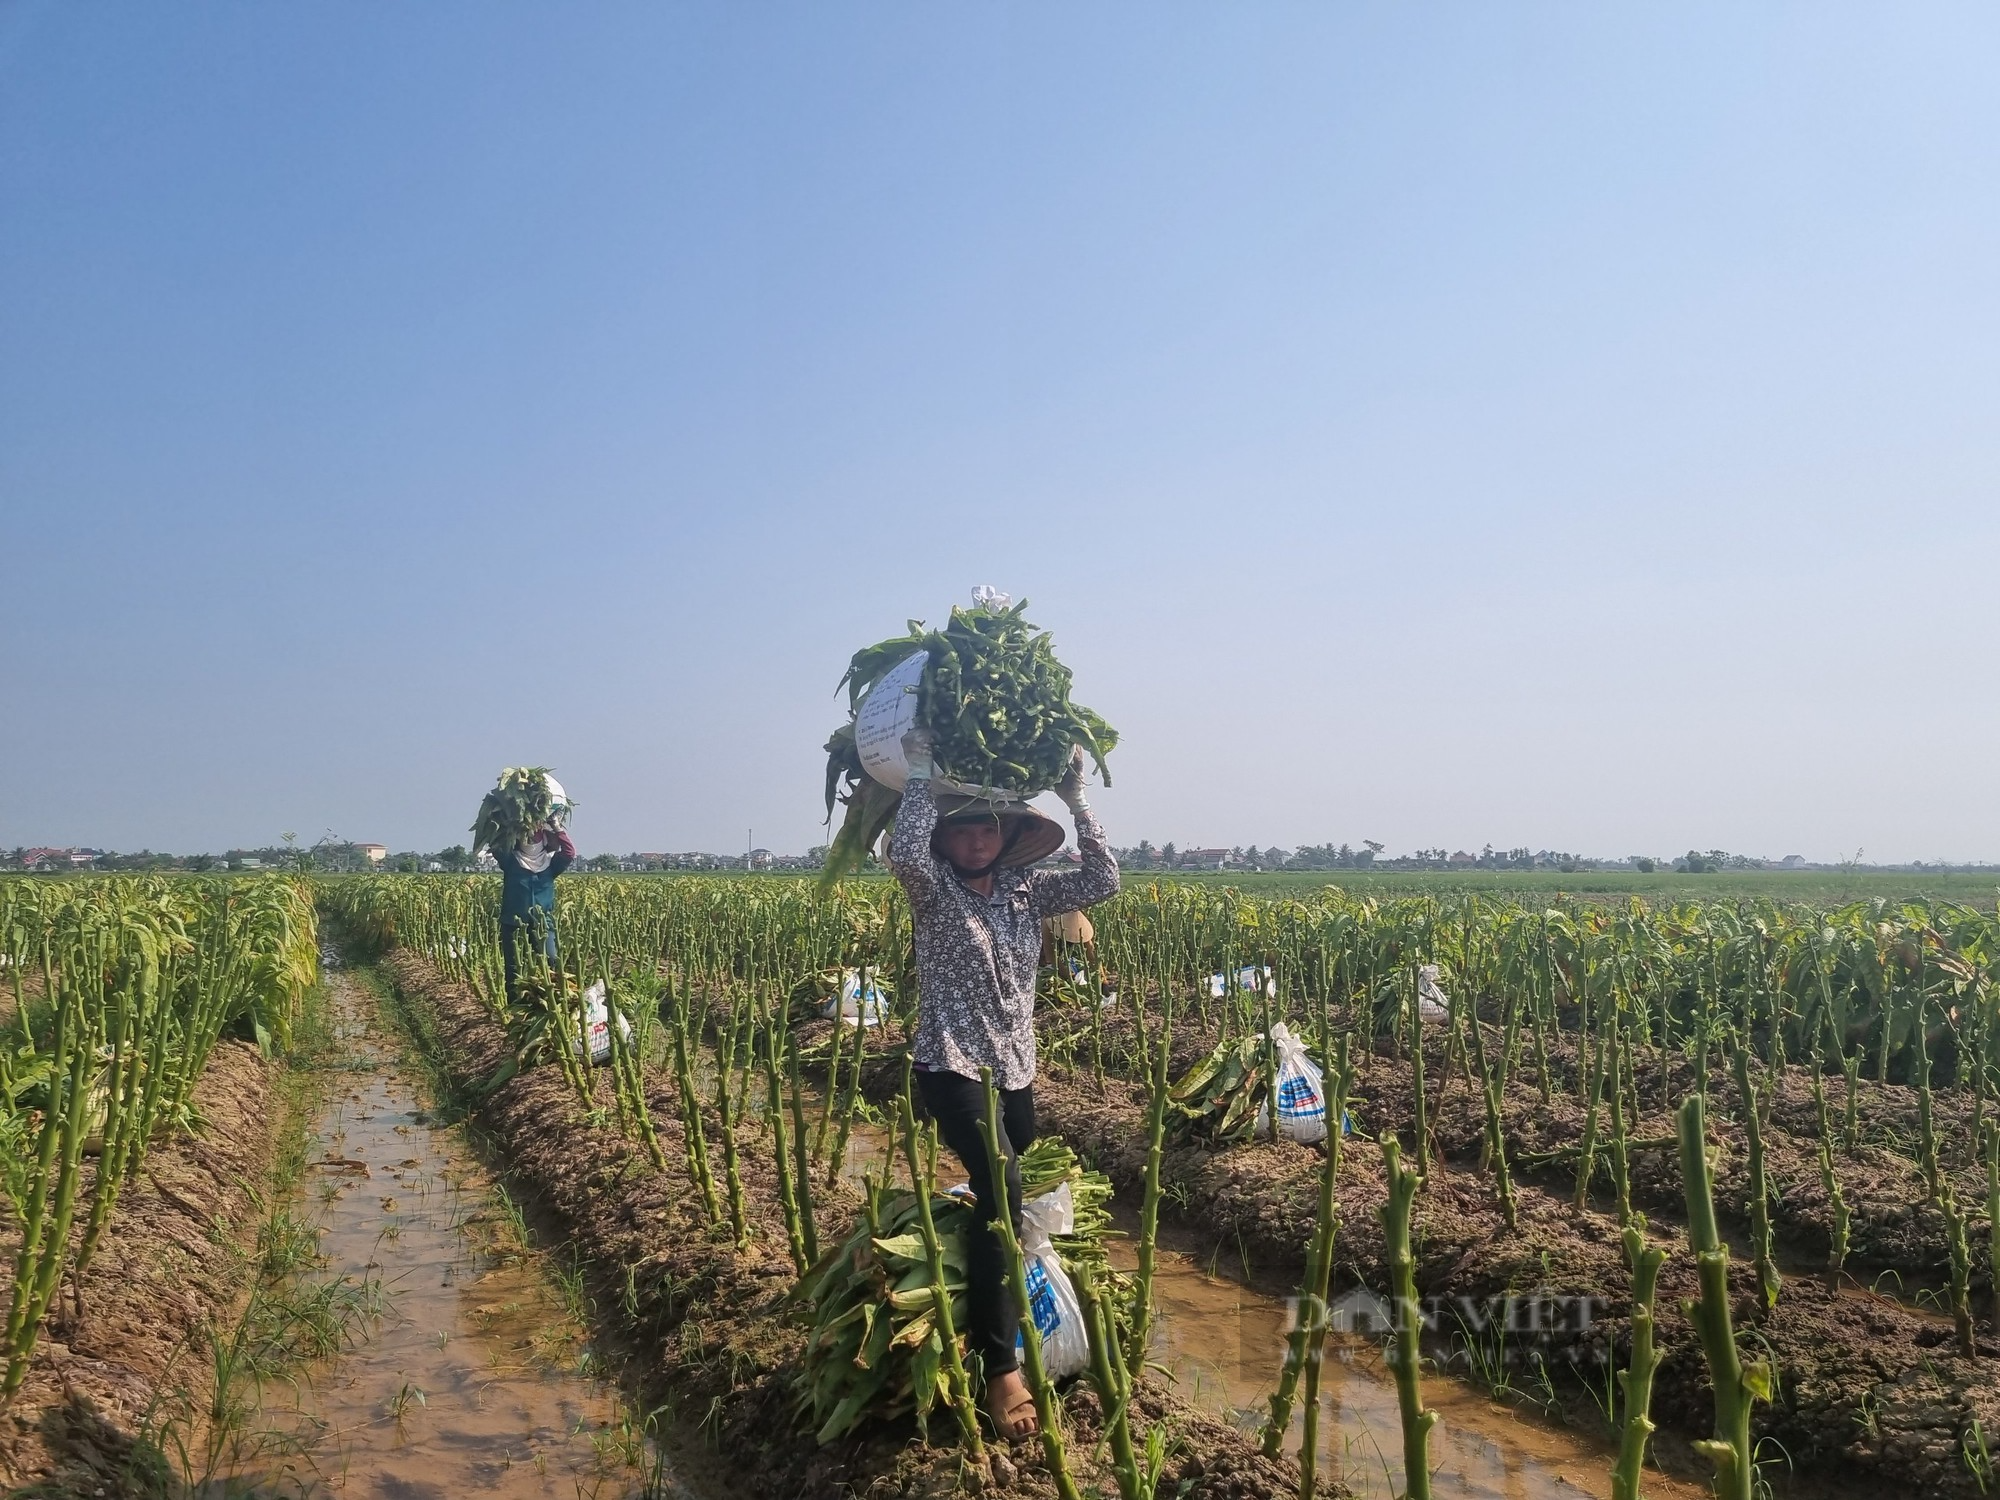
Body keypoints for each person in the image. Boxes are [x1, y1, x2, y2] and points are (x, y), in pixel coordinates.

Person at [887, 728, 1119, 1443]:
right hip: (951, 1062)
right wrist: (923, 770)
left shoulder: (1028, 889)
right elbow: (903, 849)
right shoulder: (931, 890)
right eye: (964, 831)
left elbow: (1104, 880)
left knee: (1009, 1174)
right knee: (1002, 1190)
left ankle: (982, 1241)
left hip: (1015, 1063)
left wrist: (1077, 798)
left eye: (987, 827)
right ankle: (1001, 1366)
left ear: (1008, 834)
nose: (977, 841)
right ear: (948, 841)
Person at [497, 820, 575, 1000]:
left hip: (542, 924)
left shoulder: (551, 864)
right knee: (514, 968)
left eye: (537, 835)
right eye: (527, 835)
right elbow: (496, 845)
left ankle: (547, 1003)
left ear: (545, 840)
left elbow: (570, 852)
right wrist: (505, 820)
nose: (531, 839)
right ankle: (516, 1007)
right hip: (513, 923)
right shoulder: (510, 860)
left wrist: (556, 827)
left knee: (550, 961)